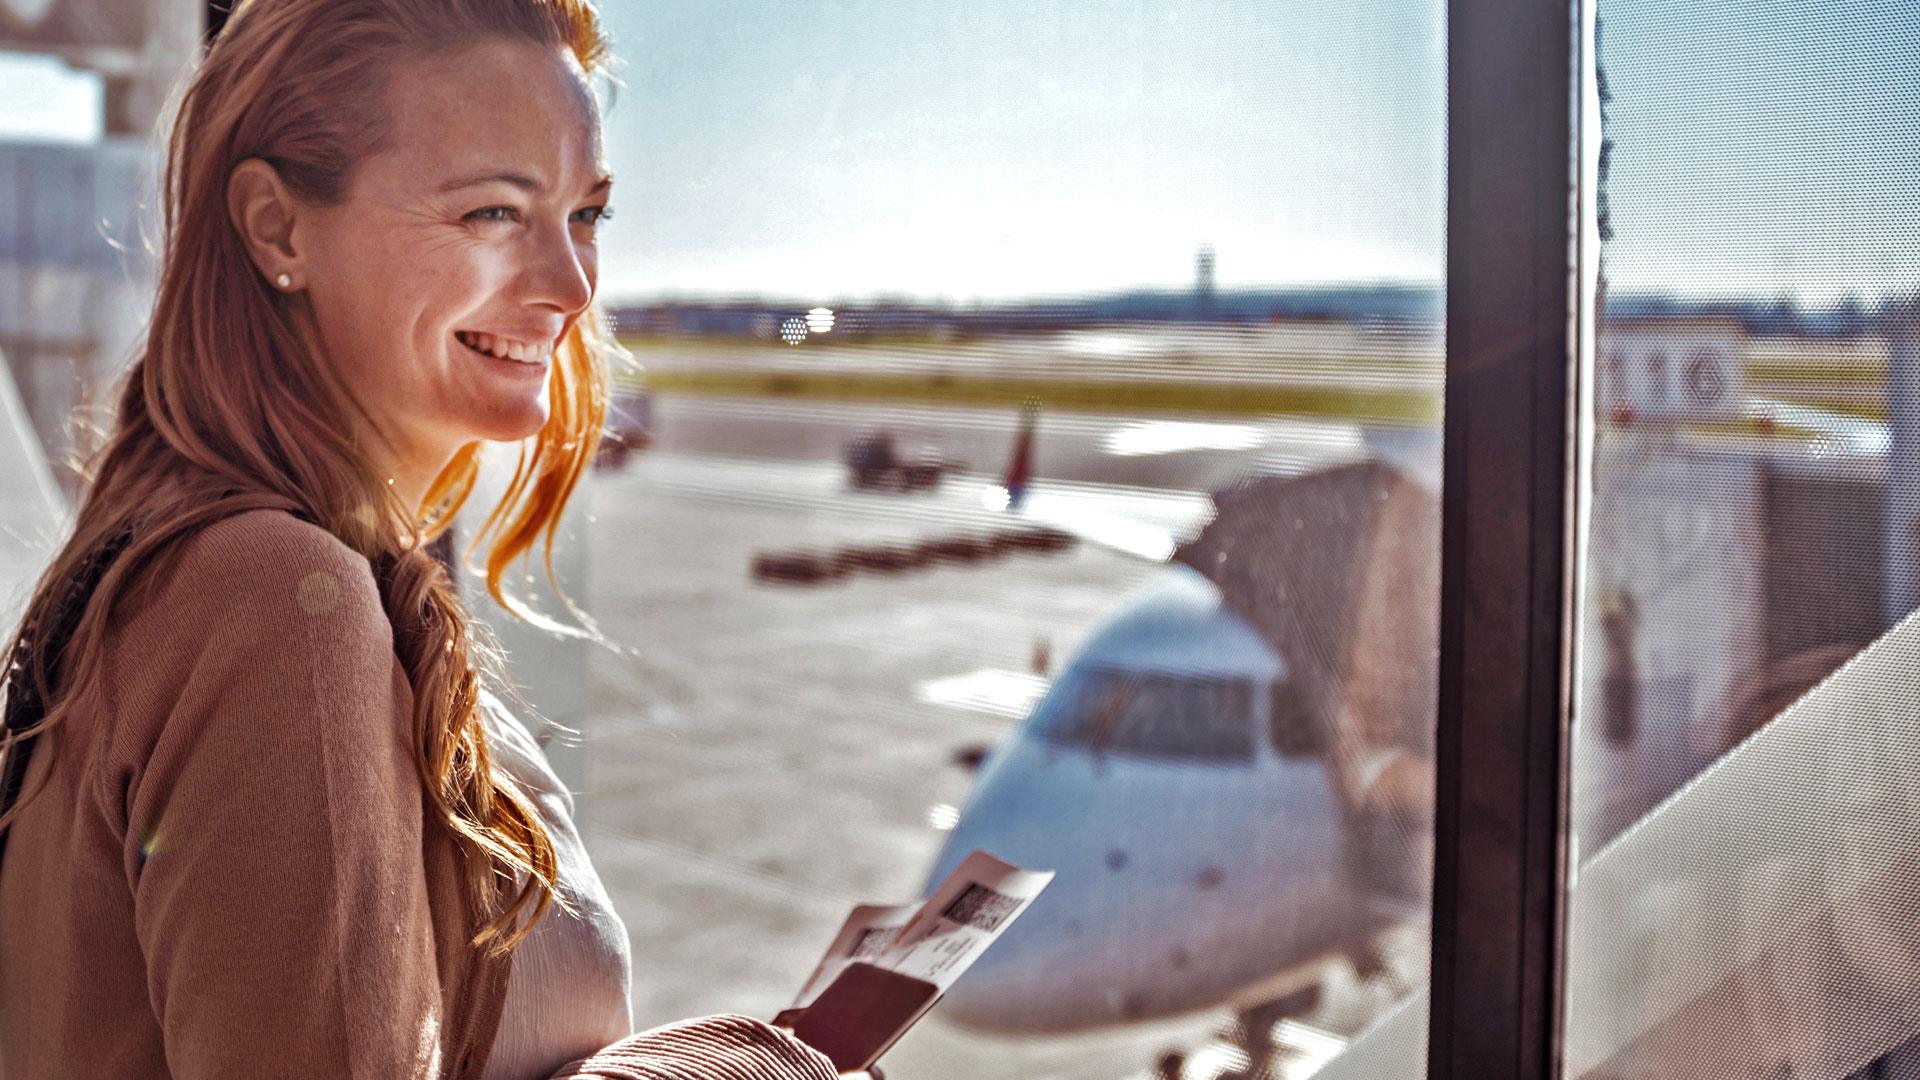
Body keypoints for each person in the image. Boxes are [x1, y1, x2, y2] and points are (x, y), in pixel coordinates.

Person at [0, 1, 850, 1077]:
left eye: (586, 214)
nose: (572, 286)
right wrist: (750, 1069)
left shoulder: (227, 558)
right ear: (279, 228)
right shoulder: (278, 601)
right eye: (493, 211)